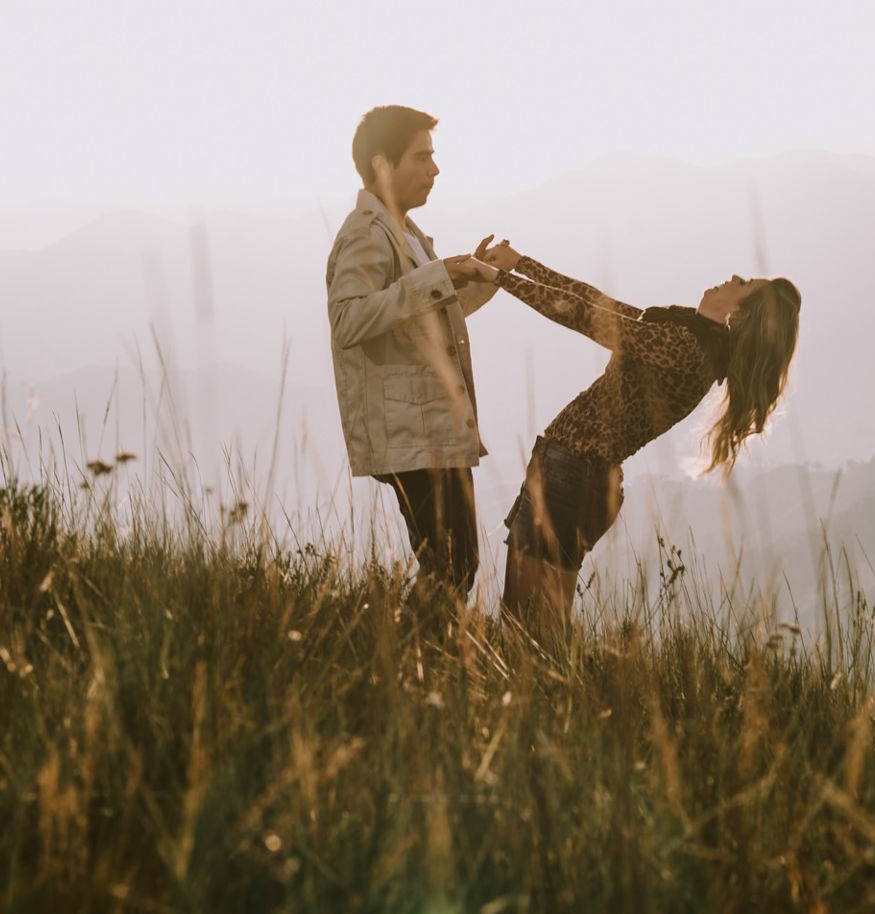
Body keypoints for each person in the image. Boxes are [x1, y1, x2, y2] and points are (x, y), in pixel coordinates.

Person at [470, 236, 801, 633]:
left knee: (524, 625)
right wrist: (520, 263)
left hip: (569, 477)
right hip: (577, 476)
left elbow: (583, 316)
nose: (733, 277)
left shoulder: (685, 347)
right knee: (544, 626)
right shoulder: (689, 337)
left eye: (743, 283)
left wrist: (498, 277)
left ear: (740, 314)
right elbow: (597, 303)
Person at [326, 106, 497, 605]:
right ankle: (405, 644)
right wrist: (440, 275)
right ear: (383, 165)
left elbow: (422, 317)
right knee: (452, 565)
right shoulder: (365, 232)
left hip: (435, 427)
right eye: (421, 157)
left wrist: (478, 275)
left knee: (455, 565)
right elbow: (349, 320)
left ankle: (409, 641)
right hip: (410, 432)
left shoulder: (406, 233)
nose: (434, 170)